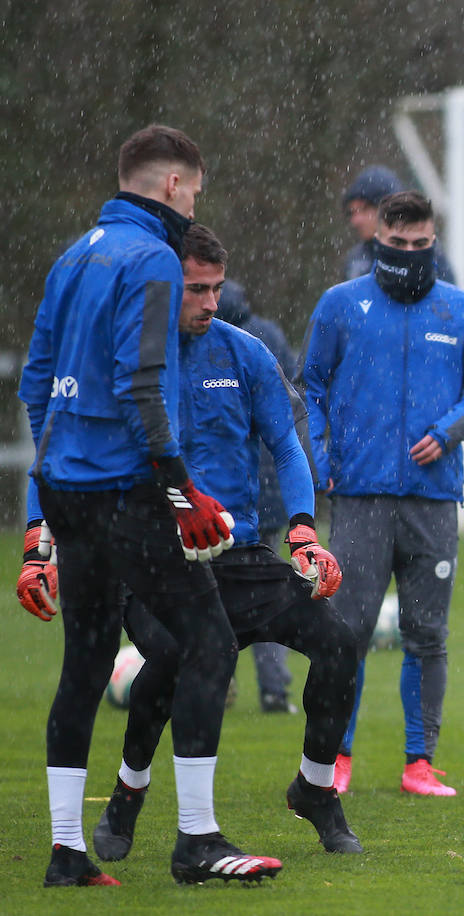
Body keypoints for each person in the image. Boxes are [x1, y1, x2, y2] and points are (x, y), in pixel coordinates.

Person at [16, 124, 280, 886]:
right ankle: (197, 840)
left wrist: (48, 497)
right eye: (193, 190)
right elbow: (140, 385)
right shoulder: (154, 257)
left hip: (69, 488)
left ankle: (67, 853)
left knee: (87, 664)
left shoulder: (73, 256)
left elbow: (37, 382)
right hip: (129, 490)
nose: (193, 201)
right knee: (210, 641)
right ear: (172, 186)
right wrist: (178, 487)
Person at [88, 224, 362, 862]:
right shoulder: (129, 357)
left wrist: (300, 526)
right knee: (180, 658)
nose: (211, 303)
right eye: (195, 290)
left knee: (340, 645)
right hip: (154, 555)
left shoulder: (245, 352)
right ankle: (131, 791)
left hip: (235, 555)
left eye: (216, 288)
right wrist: (41, 536)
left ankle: (316, 788)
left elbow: (288, 444)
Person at [302, 190, 464, 796]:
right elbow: (309, 384)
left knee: (427, 634)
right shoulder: (341, 305)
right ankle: (337, 756)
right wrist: (321, 456)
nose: (411, 254)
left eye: (421, 245)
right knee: (349, 631)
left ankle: (420, 762)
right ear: (377, 242)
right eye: (398, 245)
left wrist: (447, 433)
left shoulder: (461, 311)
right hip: (360, 496)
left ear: (433, 241)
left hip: (433, 500)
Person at [217, 278, 301, 714]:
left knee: (213, 594)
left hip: (222, 498)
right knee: (266, 596)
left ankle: (217, 679)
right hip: (267, 495)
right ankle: (274, 690)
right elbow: (289, 415)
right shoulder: (266, 336)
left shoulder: (201, 343)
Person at [339, 165, 455, 283]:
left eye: (365, 209)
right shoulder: (356, 260)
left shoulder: (427, 258)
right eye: (352, 212)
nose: (356, 220)